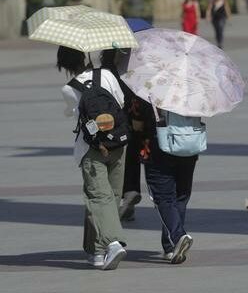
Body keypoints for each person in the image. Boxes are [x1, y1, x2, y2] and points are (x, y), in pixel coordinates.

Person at [59, 46, 128, 270]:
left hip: (91, 149)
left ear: (65, 65)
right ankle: (95, 251)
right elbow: (121, 103)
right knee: (111, 196)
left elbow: (72, 113)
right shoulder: (107, 74)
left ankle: (112, 243)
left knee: (98, 198)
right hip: (117, 142)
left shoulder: (69, 89)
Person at [137, 95, 198, 264]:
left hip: (158, 145)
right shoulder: (192, 87)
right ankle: (170, 245)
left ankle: (177, 236)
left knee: (163, 197)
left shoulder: (147, 89)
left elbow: (137, 122)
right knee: (180, 196)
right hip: (188, 144)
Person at [99, 49, 142, 222]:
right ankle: (130, 192)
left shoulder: (106, 70)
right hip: (134, 116)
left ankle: (117, 203)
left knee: (115, 162)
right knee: (132, 152)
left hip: (113, 119)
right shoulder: (131, 65)